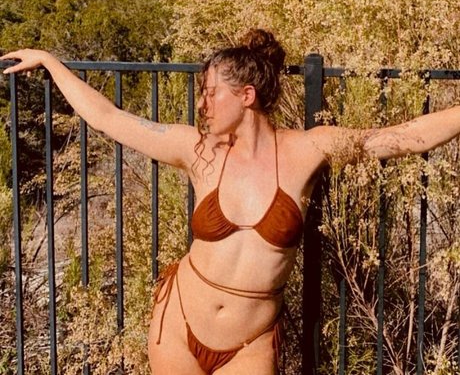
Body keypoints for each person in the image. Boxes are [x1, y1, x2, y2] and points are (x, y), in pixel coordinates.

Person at [1, 29, 459, 375]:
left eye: (210, 92)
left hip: (250, 343)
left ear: (246, 96)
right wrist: (50, 62)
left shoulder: (307, 150)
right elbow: (109, 117)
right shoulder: (197, 151)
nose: (202, 104)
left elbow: (404, 138)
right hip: (179, 324)